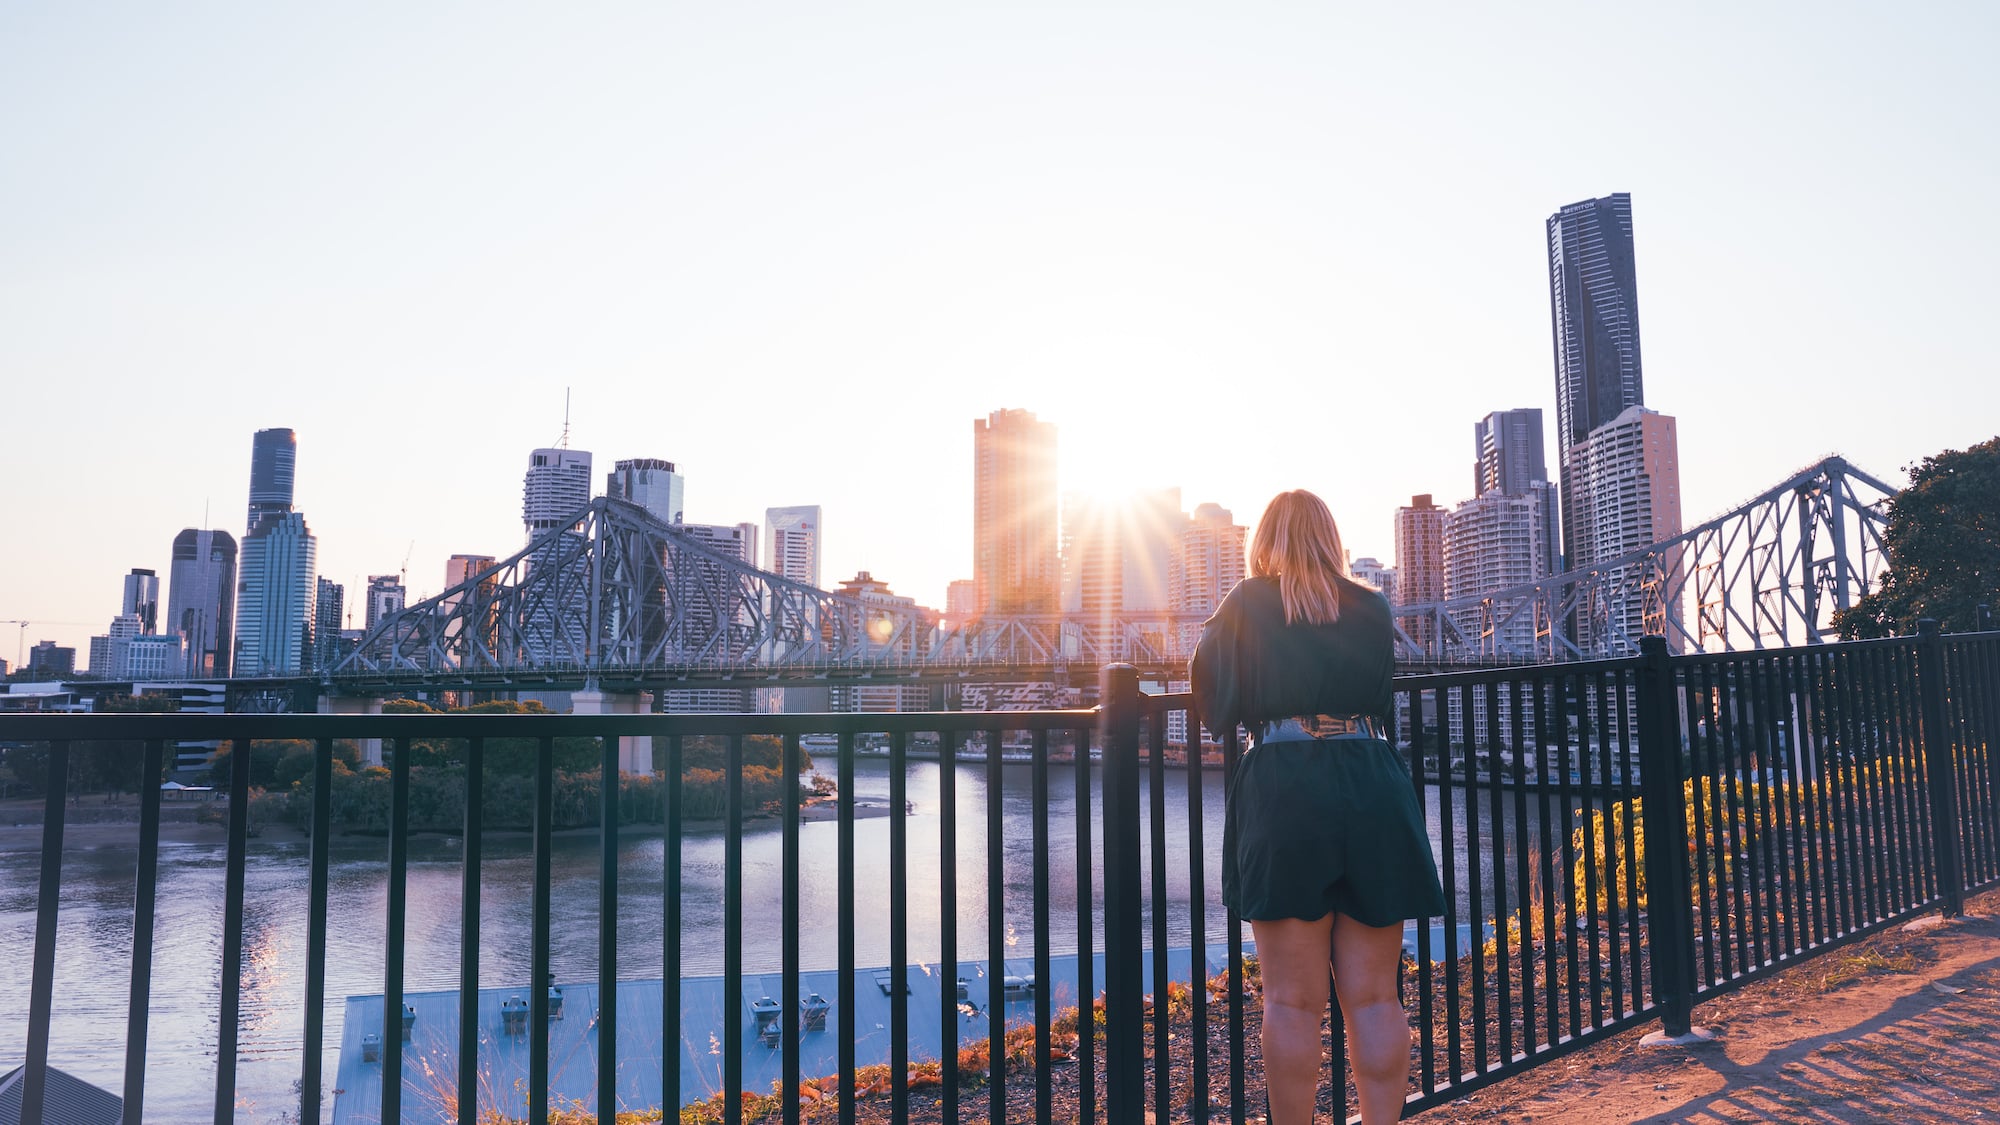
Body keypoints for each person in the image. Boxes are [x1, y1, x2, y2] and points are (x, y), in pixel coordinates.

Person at [1192, 489, 1445, 1125]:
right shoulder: (1371, 605)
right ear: (1330, 540)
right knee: (1375, 998)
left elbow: (1211, 697)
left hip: (1285, 785)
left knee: (1291, 1001)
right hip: (1372, 778)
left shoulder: (1250, 600)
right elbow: (1381, 698)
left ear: (1265, 543)